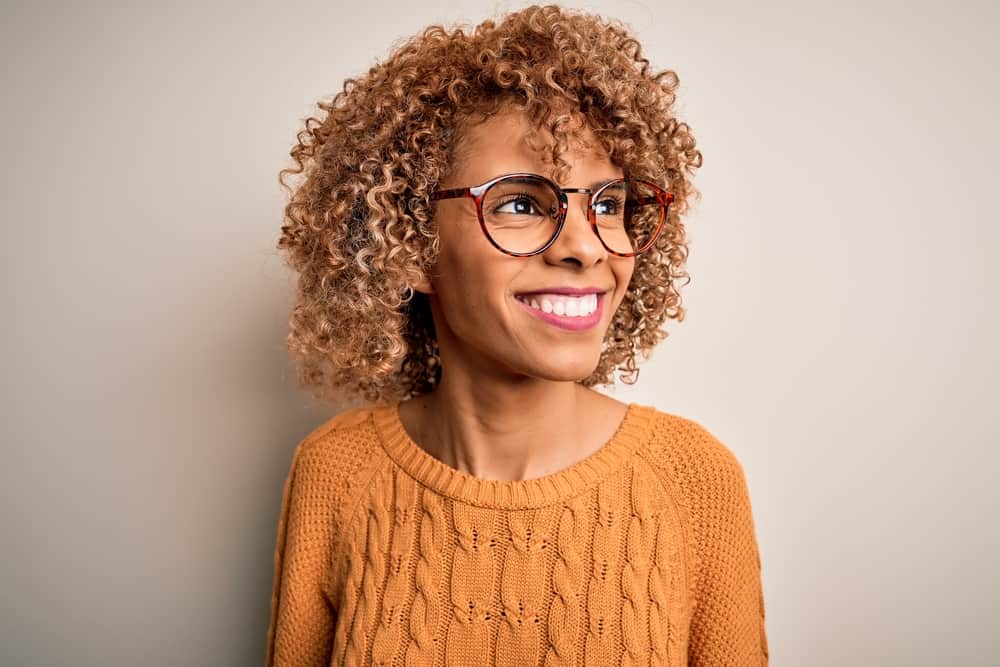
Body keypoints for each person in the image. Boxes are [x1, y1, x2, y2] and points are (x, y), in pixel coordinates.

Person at [264, 4, 768, 666]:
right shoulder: (334, 471)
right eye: (523, 203)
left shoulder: (694, 478)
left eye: (609, 204)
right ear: (411, 246)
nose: (588, 248)